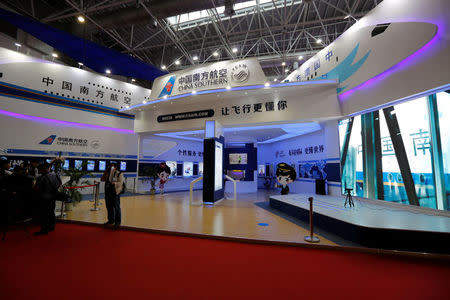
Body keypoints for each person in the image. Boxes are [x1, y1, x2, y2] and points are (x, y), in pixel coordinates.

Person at [33, 163, 61, 235]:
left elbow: (36, 188)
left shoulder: (40, 178)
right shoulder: (55, 175)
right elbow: (59, 183)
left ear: (41, 170)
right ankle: (52, 227)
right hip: (53, 196)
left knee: (44, 214)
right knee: (51, 212)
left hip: (44, 198)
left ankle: (44, 230)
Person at [101, 162, 124, 229]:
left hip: (115, 193)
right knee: (109, 207)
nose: (111, 168)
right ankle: (110, 220)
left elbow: (121, 183)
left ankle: (117, 222)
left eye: (112, 166)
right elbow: (102, 179)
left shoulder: (119, 174)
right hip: (108, 192)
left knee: (116, 207)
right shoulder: (107, 173)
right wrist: (105, 172)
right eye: (110, 166)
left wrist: (114, 183)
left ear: (115, 167)